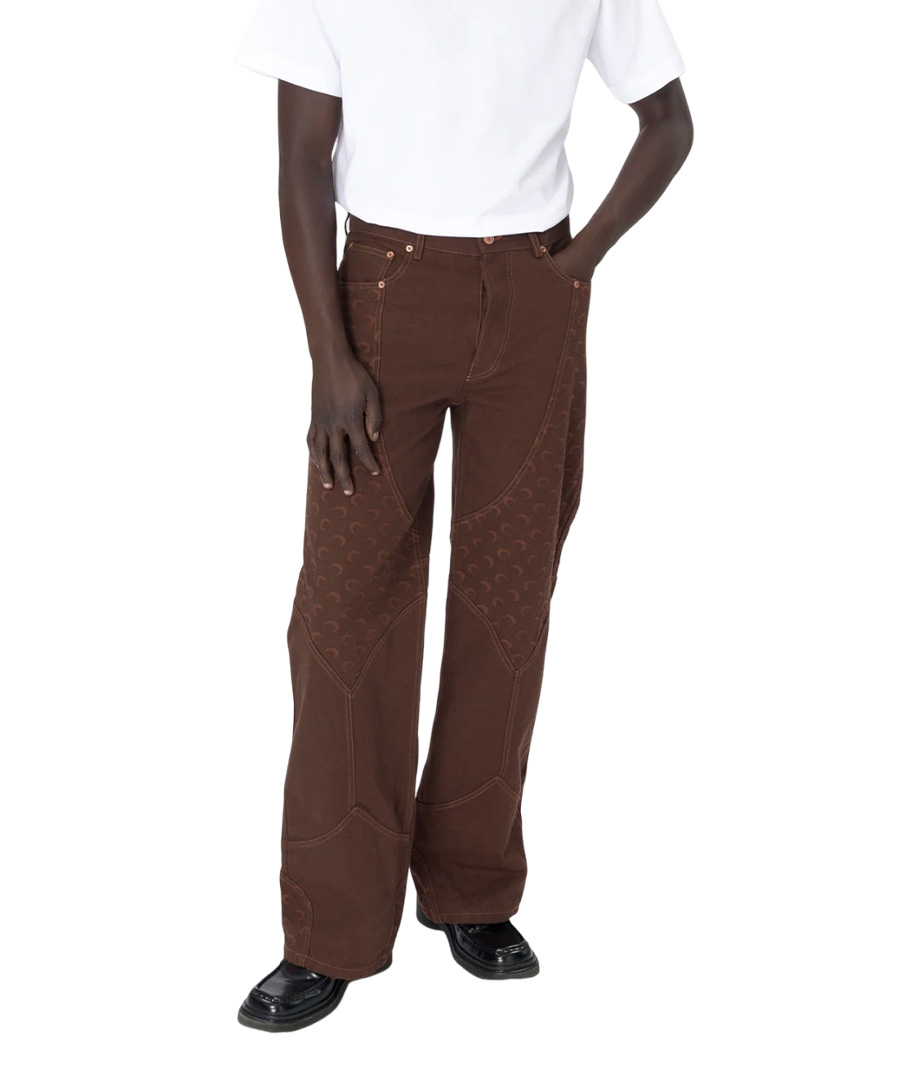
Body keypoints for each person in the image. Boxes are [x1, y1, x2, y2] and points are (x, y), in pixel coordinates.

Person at [233, 0, 693, 1032]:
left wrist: (577, 268)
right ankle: (331, 930)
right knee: (346, 614)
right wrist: (329, 355)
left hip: (536, 293)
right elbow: (301, 159)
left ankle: (473, 888)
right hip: (384, 293)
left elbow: (669, 123)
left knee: (506, 601)